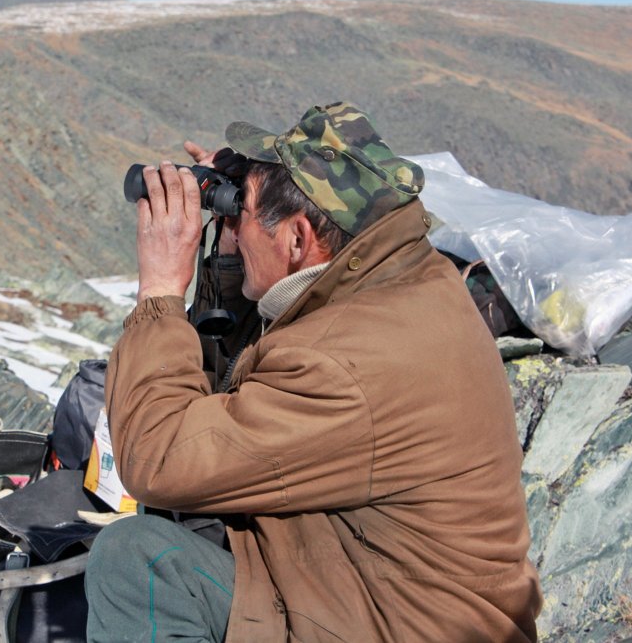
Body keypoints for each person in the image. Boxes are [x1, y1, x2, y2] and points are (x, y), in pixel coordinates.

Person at [85, 101, 543, 642]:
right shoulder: (406, 279)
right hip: (387, 585)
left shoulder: (344, 364)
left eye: (243, 210)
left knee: (137, 560)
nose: (232, 219)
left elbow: (156, 459)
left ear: (300, 238)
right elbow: (236, 375)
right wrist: (237, 252)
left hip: (401, 623)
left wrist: (160, 288)